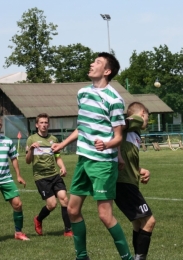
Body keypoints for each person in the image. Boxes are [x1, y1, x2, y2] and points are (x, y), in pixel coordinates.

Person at [52, 52, 133, 260]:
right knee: (72, 210)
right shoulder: (82, 93)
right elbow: (82, 127)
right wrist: (62, 143)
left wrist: (107, 145)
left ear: (107, 71)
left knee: (105, 216)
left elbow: (118, 137)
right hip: (83, 161)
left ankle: (127, 258)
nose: (91, 64)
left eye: (97, 62)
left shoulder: (114, 100)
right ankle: (82, 257)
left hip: (103, 164)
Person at [115, 102, 156, 260]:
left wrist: (140, 170)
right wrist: (120, 123)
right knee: (150, 221)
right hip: (124, 183)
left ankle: (137, 257)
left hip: (127, 182)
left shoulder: (134, 134)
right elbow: (123, 123)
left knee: (138, 224)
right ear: (143, 113)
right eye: (147, 117)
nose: (146, 121)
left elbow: (127, 158)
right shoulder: (136, 121)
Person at [25, 113, 72, 237]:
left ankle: (68, 230)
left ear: (48, 124)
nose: (44, 125)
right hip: (41, 177)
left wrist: (62, 167)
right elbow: (28, 161)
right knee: (52, 204)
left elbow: (58, 157)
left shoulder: (54, 139)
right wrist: (31, 149)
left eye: (46, 122)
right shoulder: (31, 139)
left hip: (54, 175)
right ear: (37, 125)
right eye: (41, 122)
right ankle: (38, 219)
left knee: (64, 199)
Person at [0, 118, 29, 240]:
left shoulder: (7, 141)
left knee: (18, 204)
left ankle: (18, 232)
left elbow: (13, 158)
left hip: (6, 179)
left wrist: (18, 175)